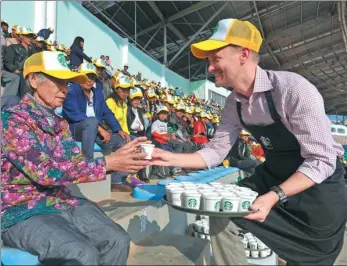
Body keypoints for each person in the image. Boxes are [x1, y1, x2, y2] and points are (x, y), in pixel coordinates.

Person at [151, 18, 347, 265]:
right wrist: (168, 157)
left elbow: (322, 160)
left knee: (310, 259)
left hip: (316, 190)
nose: (210, 68)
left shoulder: (293, 89)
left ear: (243, 55)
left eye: (216, 58)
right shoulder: (234, 104)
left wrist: (274, 195)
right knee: (222, 210)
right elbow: (214, 152)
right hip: (274, 175)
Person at [1, 51, 151, 265]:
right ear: (33, 80)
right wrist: (108, 162)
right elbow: (47, 173)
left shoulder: (59, 122)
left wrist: (120, 160)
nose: (65, 89)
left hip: (61, 201)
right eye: (57, 81)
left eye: (67, 82)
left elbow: (75, 163)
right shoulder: (12, 121)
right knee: (82, 254)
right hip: (22, 210)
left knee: (118, 239)